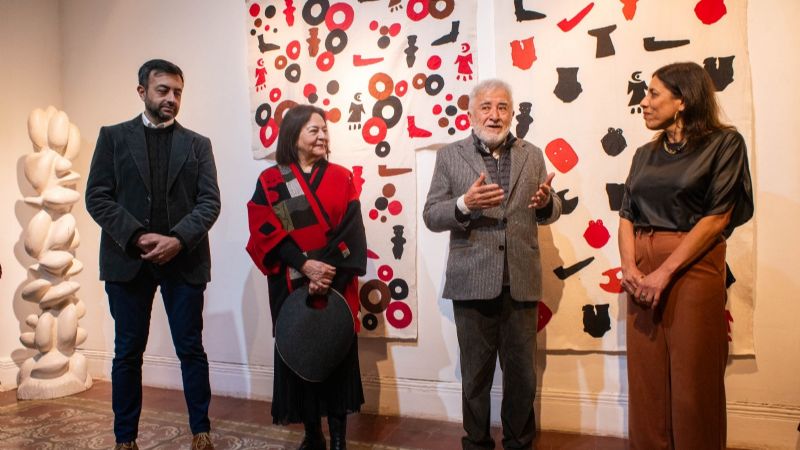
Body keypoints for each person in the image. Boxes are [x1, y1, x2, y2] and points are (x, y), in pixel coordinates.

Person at [85, 59, 220, 450]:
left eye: (177, 92)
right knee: (127, 353)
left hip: (184, 261)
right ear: (142, 91)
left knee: (191, 349)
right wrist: (139, 236)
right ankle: (125, 438)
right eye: (163, 90)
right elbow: (97, 197)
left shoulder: (198, 144)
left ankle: (201, 430)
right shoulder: (112, 138)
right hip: (128, 262)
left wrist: (177, 239)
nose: (172, 99)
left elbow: (209, 202)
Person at [618, 62, 754, 449]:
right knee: (646, 379)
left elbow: (718, 218)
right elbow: (626, 214)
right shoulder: (645, 153)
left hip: (692, 268)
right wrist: (629, 267)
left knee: (694, 380)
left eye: (653, 94)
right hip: (640, 269)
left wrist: (665, 272)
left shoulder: (724, 144)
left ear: (682, 101)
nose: (643, 103)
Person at [423, 79, 562, 450]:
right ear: (470, 114)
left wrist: (547, 202)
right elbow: (432, 215)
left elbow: (551, 209)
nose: (494, 115)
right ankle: (477, 443)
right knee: (475, 377)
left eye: (502, 107)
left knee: (522, 377)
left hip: (521, 281)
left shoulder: (532, 154)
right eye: (485, 107)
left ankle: (519, 443)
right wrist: (465, 204)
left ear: (512, 113)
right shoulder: (450, 156)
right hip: (471, 282)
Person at [246, 104, 367, 450]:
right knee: (300, 356)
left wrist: (324, 274)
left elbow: (352, 234)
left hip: (336, 284)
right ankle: (313, 434)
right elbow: (264, 229)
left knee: (337, 356)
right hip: (290, 285)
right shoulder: (270, 181)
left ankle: (340, 439)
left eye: (324, 130)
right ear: (293, 136)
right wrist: (303, 264)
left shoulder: (342, 177)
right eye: (313, 130)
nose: (322, 135)